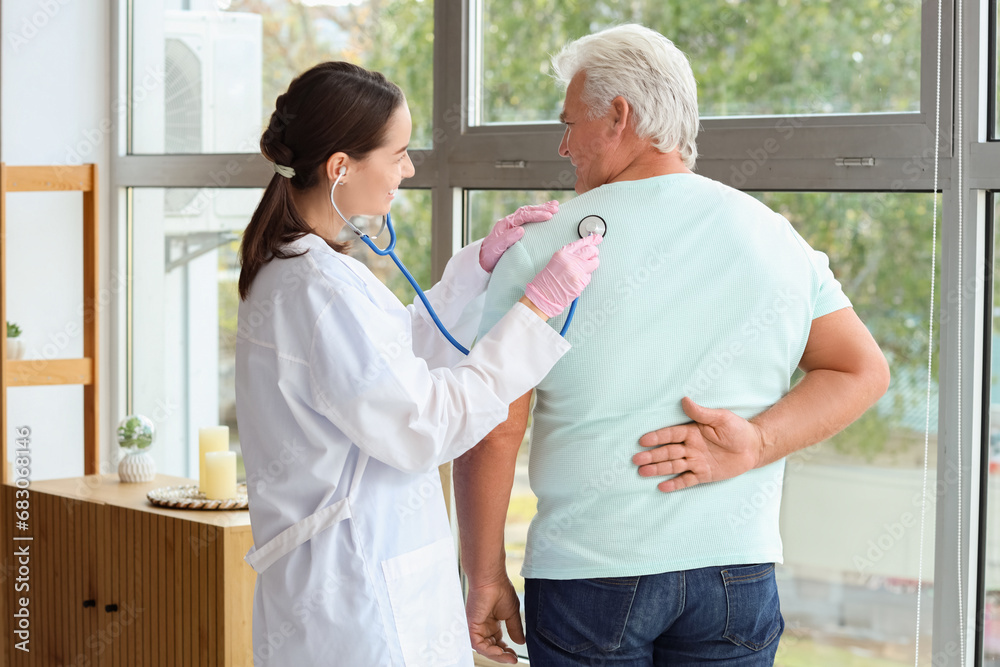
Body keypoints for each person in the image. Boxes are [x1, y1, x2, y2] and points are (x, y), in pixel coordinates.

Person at [454, 24, 891, 666]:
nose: (563, 143)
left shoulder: (546, 248)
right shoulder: (774, 237)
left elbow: (494, 427)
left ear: (619, 117)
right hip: (735, 576)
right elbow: (861, 370)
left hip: (588, 577)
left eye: (570, 122)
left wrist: (484, 575)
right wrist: (759, 442)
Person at [234, 61, 601, 667]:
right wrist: (536, 310)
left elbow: (384, 364)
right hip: (357, 592)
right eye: (398, 153)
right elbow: (421, 424)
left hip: (343, 582)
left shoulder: (297, 271)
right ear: (340, 168)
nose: (408, 169)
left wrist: (476, 268)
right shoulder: (318, 288)